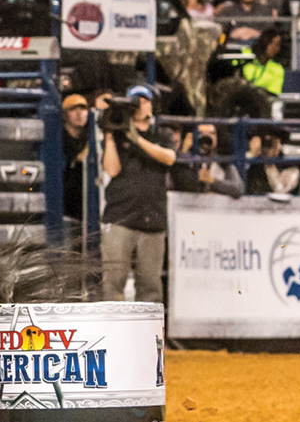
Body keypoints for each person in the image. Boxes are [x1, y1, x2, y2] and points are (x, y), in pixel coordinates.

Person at [101, 85, 175, 304]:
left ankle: (149, 335)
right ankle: (110, 333)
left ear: (152, 105)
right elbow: (112, 169)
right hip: (120, 216)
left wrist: (136, 139)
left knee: (150, 285)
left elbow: (169, 158)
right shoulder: (116, 134)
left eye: (143, 100)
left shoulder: (161, 134)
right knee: (113, 282)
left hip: (152, 220)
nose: (139, 105)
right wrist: (109, 135)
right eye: (135, 101)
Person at [171, 123, 244, 197]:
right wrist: (184, 152)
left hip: (217, 207)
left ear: (217, 137)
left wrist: (211, 181)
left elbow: (237, 188)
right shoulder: (186, 159)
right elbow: (182, 184)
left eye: (211, 133)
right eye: (201, 133)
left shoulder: (223, 162)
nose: (206, 137)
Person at [61, 93, 93, 221]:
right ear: (64, 115)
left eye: (83, 108)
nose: (79, 113)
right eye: (73, 109)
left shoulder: (89, 136)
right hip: (64, 203)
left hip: (84, 205)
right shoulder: (59, 138)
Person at [242, 27, 286, 95]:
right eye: (275, 44)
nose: (277, 49)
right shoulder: (246, 58)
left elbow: (274, 93)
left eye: (278, 45)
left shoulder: (278, 69)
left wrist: (254, 90)